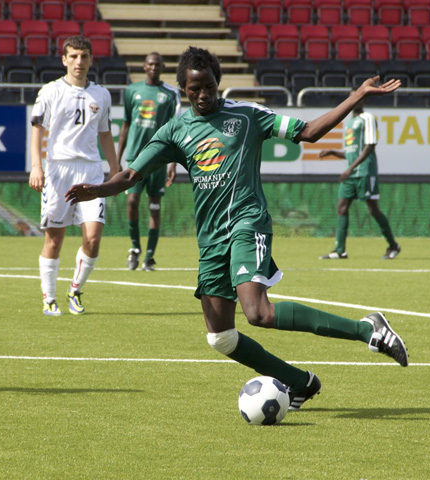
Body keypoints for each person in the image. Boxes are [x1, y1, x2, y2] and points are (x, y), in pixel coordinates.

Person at [65, 47, 409, 410]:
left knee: (258, 312)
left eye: (209, 86)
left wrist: (357, 95)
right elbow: (132, 174)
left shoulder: (247, 116)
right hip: (211, 239)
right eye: (194, 89)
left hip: (248, 222)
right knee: (221, 338)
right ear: (183, 89)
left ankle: (367, 329)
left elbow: (308, 132)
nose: (203, 95)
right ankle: (299, 382)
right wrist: (100, 189)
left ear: (218, 83)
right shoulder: (175, 130)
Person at [28, 35, 120, 316]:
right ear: (64, 59)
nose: (79, 62)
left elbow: (105, 134)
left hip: (90, 170)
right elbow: (37, 130)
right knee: (54, 238)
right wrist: (37, 166)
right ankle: (49, 298)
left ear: (91, 60)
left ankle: (75, 290)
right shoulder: (50, 91)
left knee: (93, 238)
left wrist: (115, 169)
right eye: (74, 56)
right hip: (58, 170)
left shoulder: (101, 94)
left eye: (84, 56)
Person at [117, 52, 182, 271]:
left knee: (155, 206)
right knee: (132, 202)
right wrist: (116, 160)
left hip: (159, 159)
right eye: (150, 64)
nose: (154, 67)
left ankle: (150, 257)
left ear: (163, 67)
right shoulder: (132, 91)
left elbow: (175, 130)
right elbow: (125, 125)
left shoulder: (170, 94)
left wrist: (173, 163)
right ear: (144, 67)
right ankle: (135, 248)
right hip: (135, 158)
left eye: (158, 64)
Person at [318, 103, 401, 260]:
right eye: (352, 98)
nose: (355, 101)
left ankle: (393, 245)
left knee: (373, 209)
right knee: (342, 207)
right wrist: (333, 152)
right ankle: (340, 250)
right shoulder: (349, 123)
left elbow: (370, 145)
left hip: (364, 171)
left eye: (358, 97)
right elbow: (352, 152)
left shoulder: (367, 118)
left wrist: (350, 169)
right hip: (351, 173)